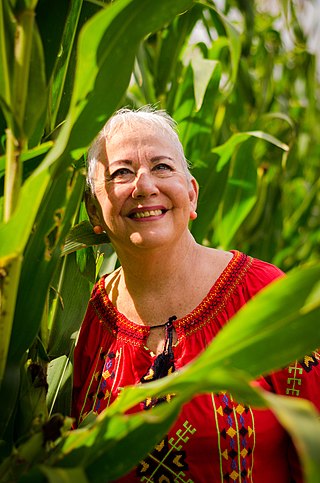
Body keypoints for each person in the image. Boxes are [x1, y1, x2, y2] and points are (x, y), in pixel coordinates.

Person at [72, 107, 320, 482]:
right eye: (121, 172)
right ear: (94, 209)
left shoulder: (266, 297)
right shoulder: (86, 317)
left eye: (162, 167)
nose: (144, 186)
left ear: (192, 193)